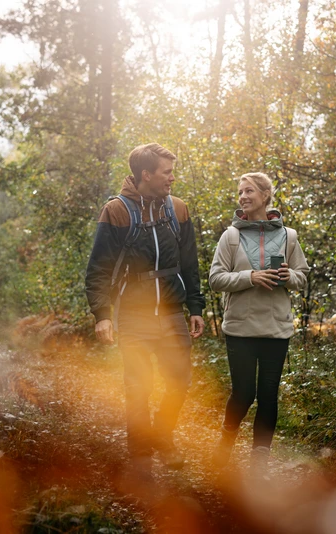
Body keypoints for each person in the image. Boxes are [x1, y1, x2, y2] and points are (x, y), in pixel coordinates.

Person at [85, 143, 205, 475]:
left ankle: (162, 437)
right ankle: (140, 457)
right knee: (138, 386)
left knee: (179, 379)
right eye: (167, 173)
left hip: (171, 313)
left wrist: (195, 306)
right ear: (146, 174)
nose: (172, 178)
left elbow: (190, 263)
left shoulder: (177, 209)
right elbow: (98, 268)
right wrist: (103, 315)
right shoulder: (117, 211)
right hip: (134, 317)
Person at [208, 172, 309, 473]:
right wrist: (249, 277)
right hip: (240, 328)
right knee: (243, 394)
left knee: (267, 394)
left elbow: (301, 276)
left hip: (276, 329)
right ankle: (225, 445)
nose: (242, 197)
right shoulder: (231, 236)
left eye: (249, 191)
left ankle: (258, 463)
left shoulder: (289, 236)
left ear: (265, 195)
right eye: (240, 192)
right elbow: (215, 279)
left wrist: (287, 276)